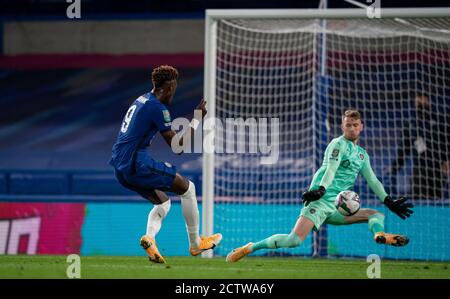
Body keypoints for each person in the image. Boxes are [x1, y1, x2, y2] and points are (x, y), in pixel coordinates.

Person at [226, 109, 414, 262]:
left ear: (361, 127)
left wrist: (388, 200)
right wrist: (321, 189)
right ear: (342, 126)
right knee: (293, 241)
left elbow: (372, 179)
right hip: (320, 199)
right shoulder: (337, 145)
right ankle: (249, 247)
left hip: (339, 206)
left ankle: (379, 235)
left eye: (355, 125)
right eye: (348, 125)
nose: (352, 128)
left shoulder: (362, 154)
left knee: (376, 214)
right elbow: (330, 169)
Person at [109, 65, 222, 264]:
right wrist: (196, 119)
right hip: (137, 164)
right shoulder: (157, 108)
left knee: (163, 202)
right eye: (174, 89)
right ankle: (196, 244)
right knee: (188, 188)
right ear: (168, 87)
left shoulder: (141, 99)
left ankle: (150, 239)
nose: (173, 94)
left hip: (120, 166)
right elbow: (178, 147)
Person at [390, 94, 449, 200]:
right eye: (417, 100)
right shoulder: (410, 124)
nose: (420, 103)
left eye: (422, 99)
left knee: (436, 200)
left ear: (428, 101)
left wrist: (447, 161)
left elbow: (446, 142)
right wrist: (395, 167)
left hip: (438, 168)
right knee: (419, 201)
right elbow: (404, 149)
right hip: (420, 170)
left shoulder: (440, 120)